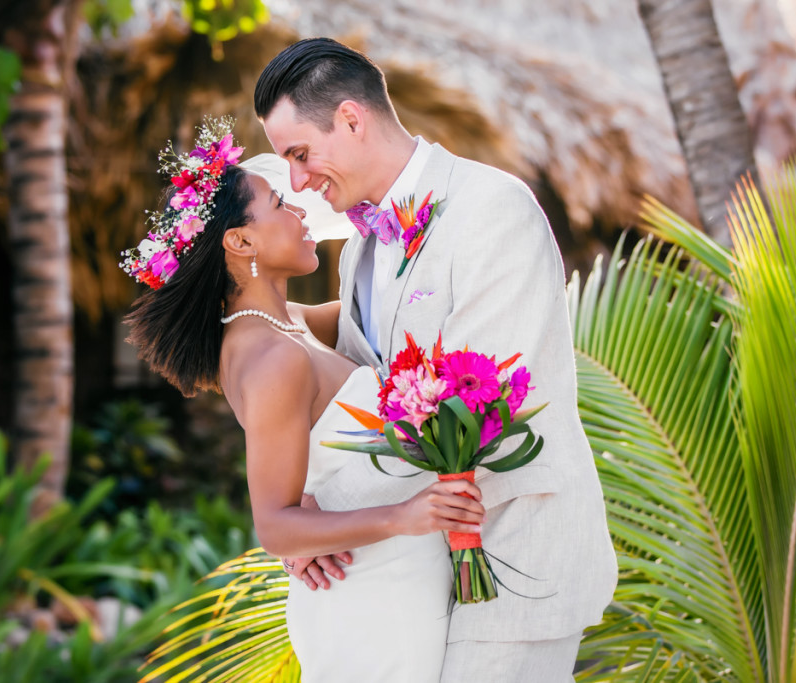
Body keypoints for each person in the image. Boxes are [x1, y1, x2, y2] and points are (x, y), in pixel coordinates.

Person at [254, 39, 618, 682]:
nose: (300, 182)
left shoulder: (492, 211)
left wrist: (318, 521)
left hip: (510, 560)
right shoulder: (359, 251)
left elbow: (480, 408)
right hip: (412, 580)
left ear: (351, 119)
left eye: (301, 155)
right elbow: (360, 398)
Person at [121, 119, 485, 682]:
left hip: (393, 581)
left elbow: (388, 303)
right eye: (280, 205)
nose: (301, 212)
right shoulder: (271, 358)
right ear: (240, 242)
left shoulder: (288, 325)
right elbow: (274, 526)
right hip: (371, 597)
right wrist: (407, 516)